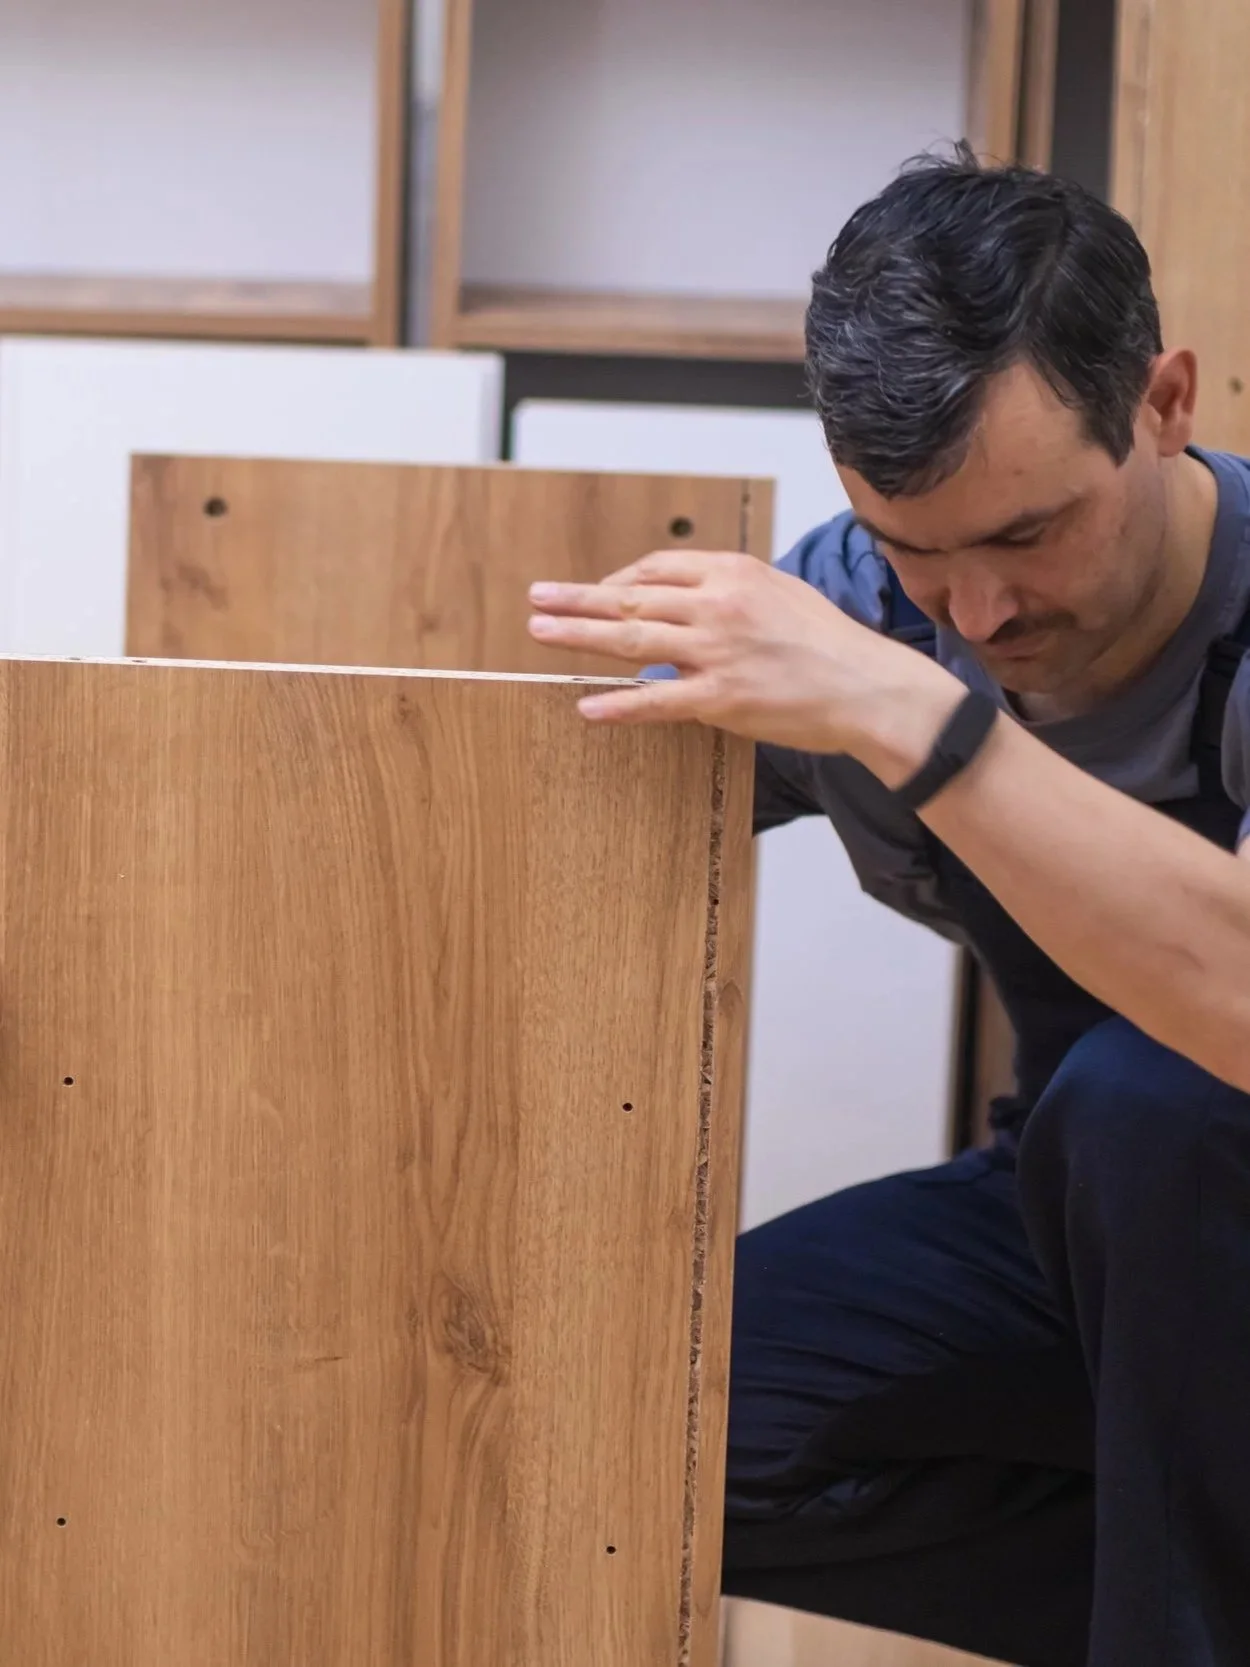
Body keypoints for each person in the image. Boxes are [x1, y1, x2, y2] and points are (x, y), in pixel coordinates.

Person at [526, 146, 1250, 1667]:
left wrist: (924, 724)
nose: (975, 614)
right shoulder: (858, 613)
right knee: (641, 1423)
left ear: (1165, 404)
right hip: (1086, 1230)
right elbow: (543, 821)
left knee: (1148, 1099)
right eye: (917, 551)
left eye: (1025, 534)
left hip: (1192, 1180)